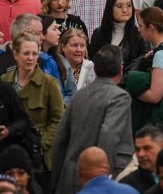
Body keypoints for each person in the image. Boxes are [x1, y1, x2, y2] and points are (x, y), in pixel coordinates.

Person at [50, 46, 135, 194]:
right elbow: (109, 134)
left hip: (70, 177)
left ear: (95, 69)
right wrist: (103, 178)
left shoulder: (78, 95)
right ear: (120, 70)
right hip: (101, 178)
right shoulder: (120, 97)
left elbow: (60, 139)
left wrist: (56, 180)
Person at [0, 33, 64, 171]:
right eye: (26, 53)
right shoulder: (4, 81)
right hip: (9, 151)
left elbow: (58, 119)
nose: (31, 58)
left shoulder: (49, 83)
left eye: (35, 54)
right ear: (15, 55)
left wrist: (42, 143)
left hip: (39, 157)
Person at [88, 0, 145, 68]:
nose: (125, 10)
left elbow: (142, 60)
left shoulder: (140, 34)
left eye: (129, 5)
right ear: (110, 8)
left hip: (128, 79)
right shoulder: (99, 33)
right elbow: (92, 60)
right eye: (119, 6)